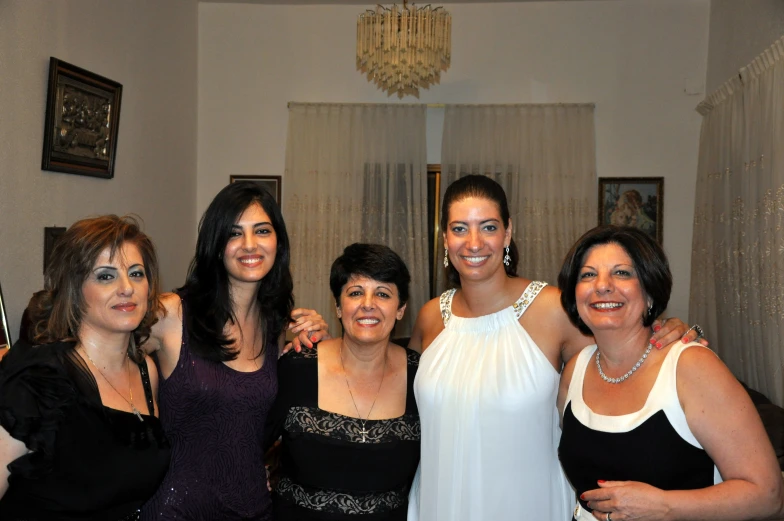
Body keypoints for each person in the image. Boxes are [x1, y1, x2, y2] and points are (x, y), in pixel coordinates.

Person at [407, 175, 701, 520]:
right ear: (445, 238)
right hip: (438, 500)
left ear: (507, 232)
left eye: (488, 227)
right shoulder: (430, 316)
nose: (474, 243)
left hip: (527, 502)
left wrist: (663, 331)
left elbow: (624, 356)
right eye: (460, 228)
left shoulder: (553, 309)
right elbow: (386, 379)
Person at [557, 225, 784, 521]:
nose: (602, 285)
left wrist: (664, 505)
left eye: (622, 273)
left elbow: (768, 496)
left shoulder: (691, 366)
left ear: (650, 292)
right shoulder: (575, 370)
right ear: (575, 296)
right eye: (588, 274)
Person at [141, 181, 327, 520]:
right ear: (215, 245)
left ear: (278, 243)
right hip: (175, 511)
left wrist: (319, 341)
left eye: (262, 230)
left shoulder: (276, 328)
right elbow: (100, 352)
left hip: (252, 507)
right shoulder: (170, 314)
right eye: (234, 233)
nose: (250, 244)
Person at [0, 215, 170, 520]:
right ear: (75, 290)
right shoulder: (38, 379)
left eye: (136, 273)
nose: (126, 288)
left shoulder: (146, 371)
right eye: (105, 276)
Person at [265, 243, 420, 520]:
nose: (368, 304)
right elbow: (247, 444)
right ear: (338, 306)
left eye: (382, 293)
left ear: (401, 309)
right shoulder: (296, 368)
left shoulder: (422, 377)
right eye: (356, 292)